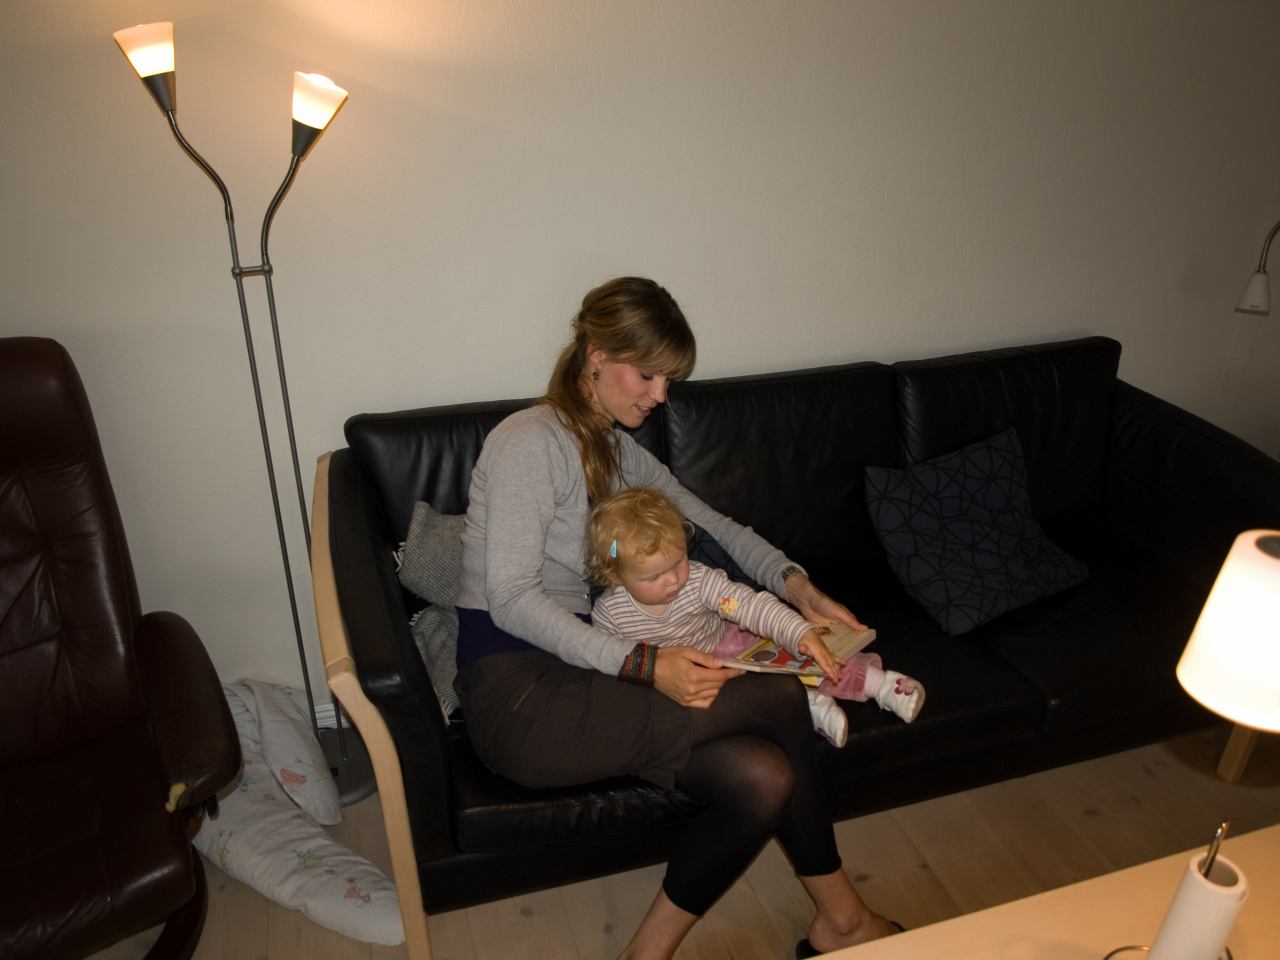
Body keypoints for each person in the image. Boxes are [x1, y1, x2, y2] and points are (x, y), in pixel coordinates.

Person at [453, 276, 901, 959]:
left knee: (763, 777)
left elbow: (713, 521)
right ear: (596, 355)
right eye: (648, 375)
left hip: (588, 673)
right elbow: (512, 599)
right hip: (521, 695)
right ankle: (843, 920)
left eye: (669, 379)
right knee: (782, 695)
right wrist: (644, 662)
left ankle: (649, 955)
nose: (660, 395)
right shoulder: (528, 441)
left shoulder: (615, 451)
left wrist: (796, 586)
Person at [586, 487, 926, 749]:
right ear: (615, 576)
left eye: (679, 562)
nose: (674, 580)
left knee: (802, 652)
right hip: (684, 680)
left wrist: (798, 632)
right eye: (654, 576)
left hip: (725, 643)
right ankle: (809, 707)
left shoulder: (699, 582)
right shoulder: (610, 615)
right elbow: (613, 666)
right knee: (748, 697)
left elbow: (748, 606)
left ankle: (881, 684)